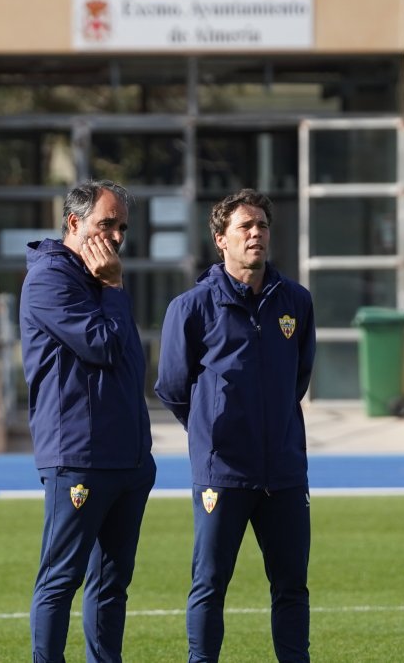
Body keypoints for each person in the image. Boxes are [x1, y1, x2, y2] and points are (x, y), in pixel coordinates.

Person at [155, 189, 317, 663]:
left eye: (262, 226)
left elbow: (299, 375)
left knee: (291, 586)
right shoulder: (191, 307)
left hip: (284, 472)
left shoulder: (296, 302)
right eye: (245, 227)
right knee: (209, 584)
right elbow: (171, 385)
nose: (256, 234)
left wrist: (276, 426)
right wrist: (210, 430)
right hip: (222, 473)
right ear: (220, 240)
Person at [20, 180, 156, 663]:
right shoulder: (50, 280)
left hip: (127, 457)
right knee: (61, 579)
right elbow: (100, 345)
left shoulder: (99, 278)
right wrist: (115, 287)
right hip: (78, 456)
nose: (116, 236)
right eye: (106, 224)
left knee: (112, 585)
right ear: (74, 223)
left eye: (122, 227)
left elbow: (128, 364)